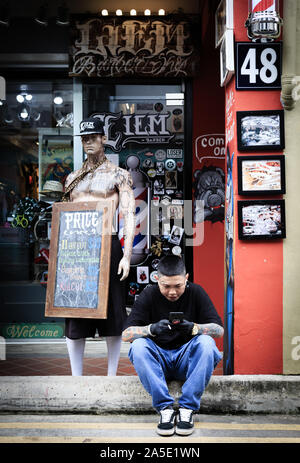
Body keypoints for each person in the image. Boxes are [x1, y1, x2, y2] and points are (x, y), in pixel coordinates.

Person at [63, 117, 135, 376]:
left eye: (93, 137)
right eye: (84, 138)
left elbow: (129, 214)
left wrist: (126, 255)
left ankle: (112, 375)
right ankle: (76, 378)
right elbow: (66, 217)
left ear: (103, 139)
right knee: (75, 309)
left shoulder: (119, 175)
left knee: (113, 312)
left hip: (109, 241)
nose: (89, 142)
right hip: (78, 246)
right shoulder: (72, 178)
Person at [122, 255, 223, 436]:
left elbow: (218, 330)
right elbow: (126, 335)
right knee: (138, 346)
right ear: (157, 279)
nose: (172, 292)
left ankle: (187, 409)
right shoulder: (148, 294)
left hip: (186, 360)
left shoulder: (197, 292)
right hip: (158, 361)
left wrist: (195, 328)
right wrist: (151, 329)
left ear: (186, 278)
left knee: (207, 343)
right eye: (166, 286)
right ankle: (165, 409)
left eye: (178, 286)